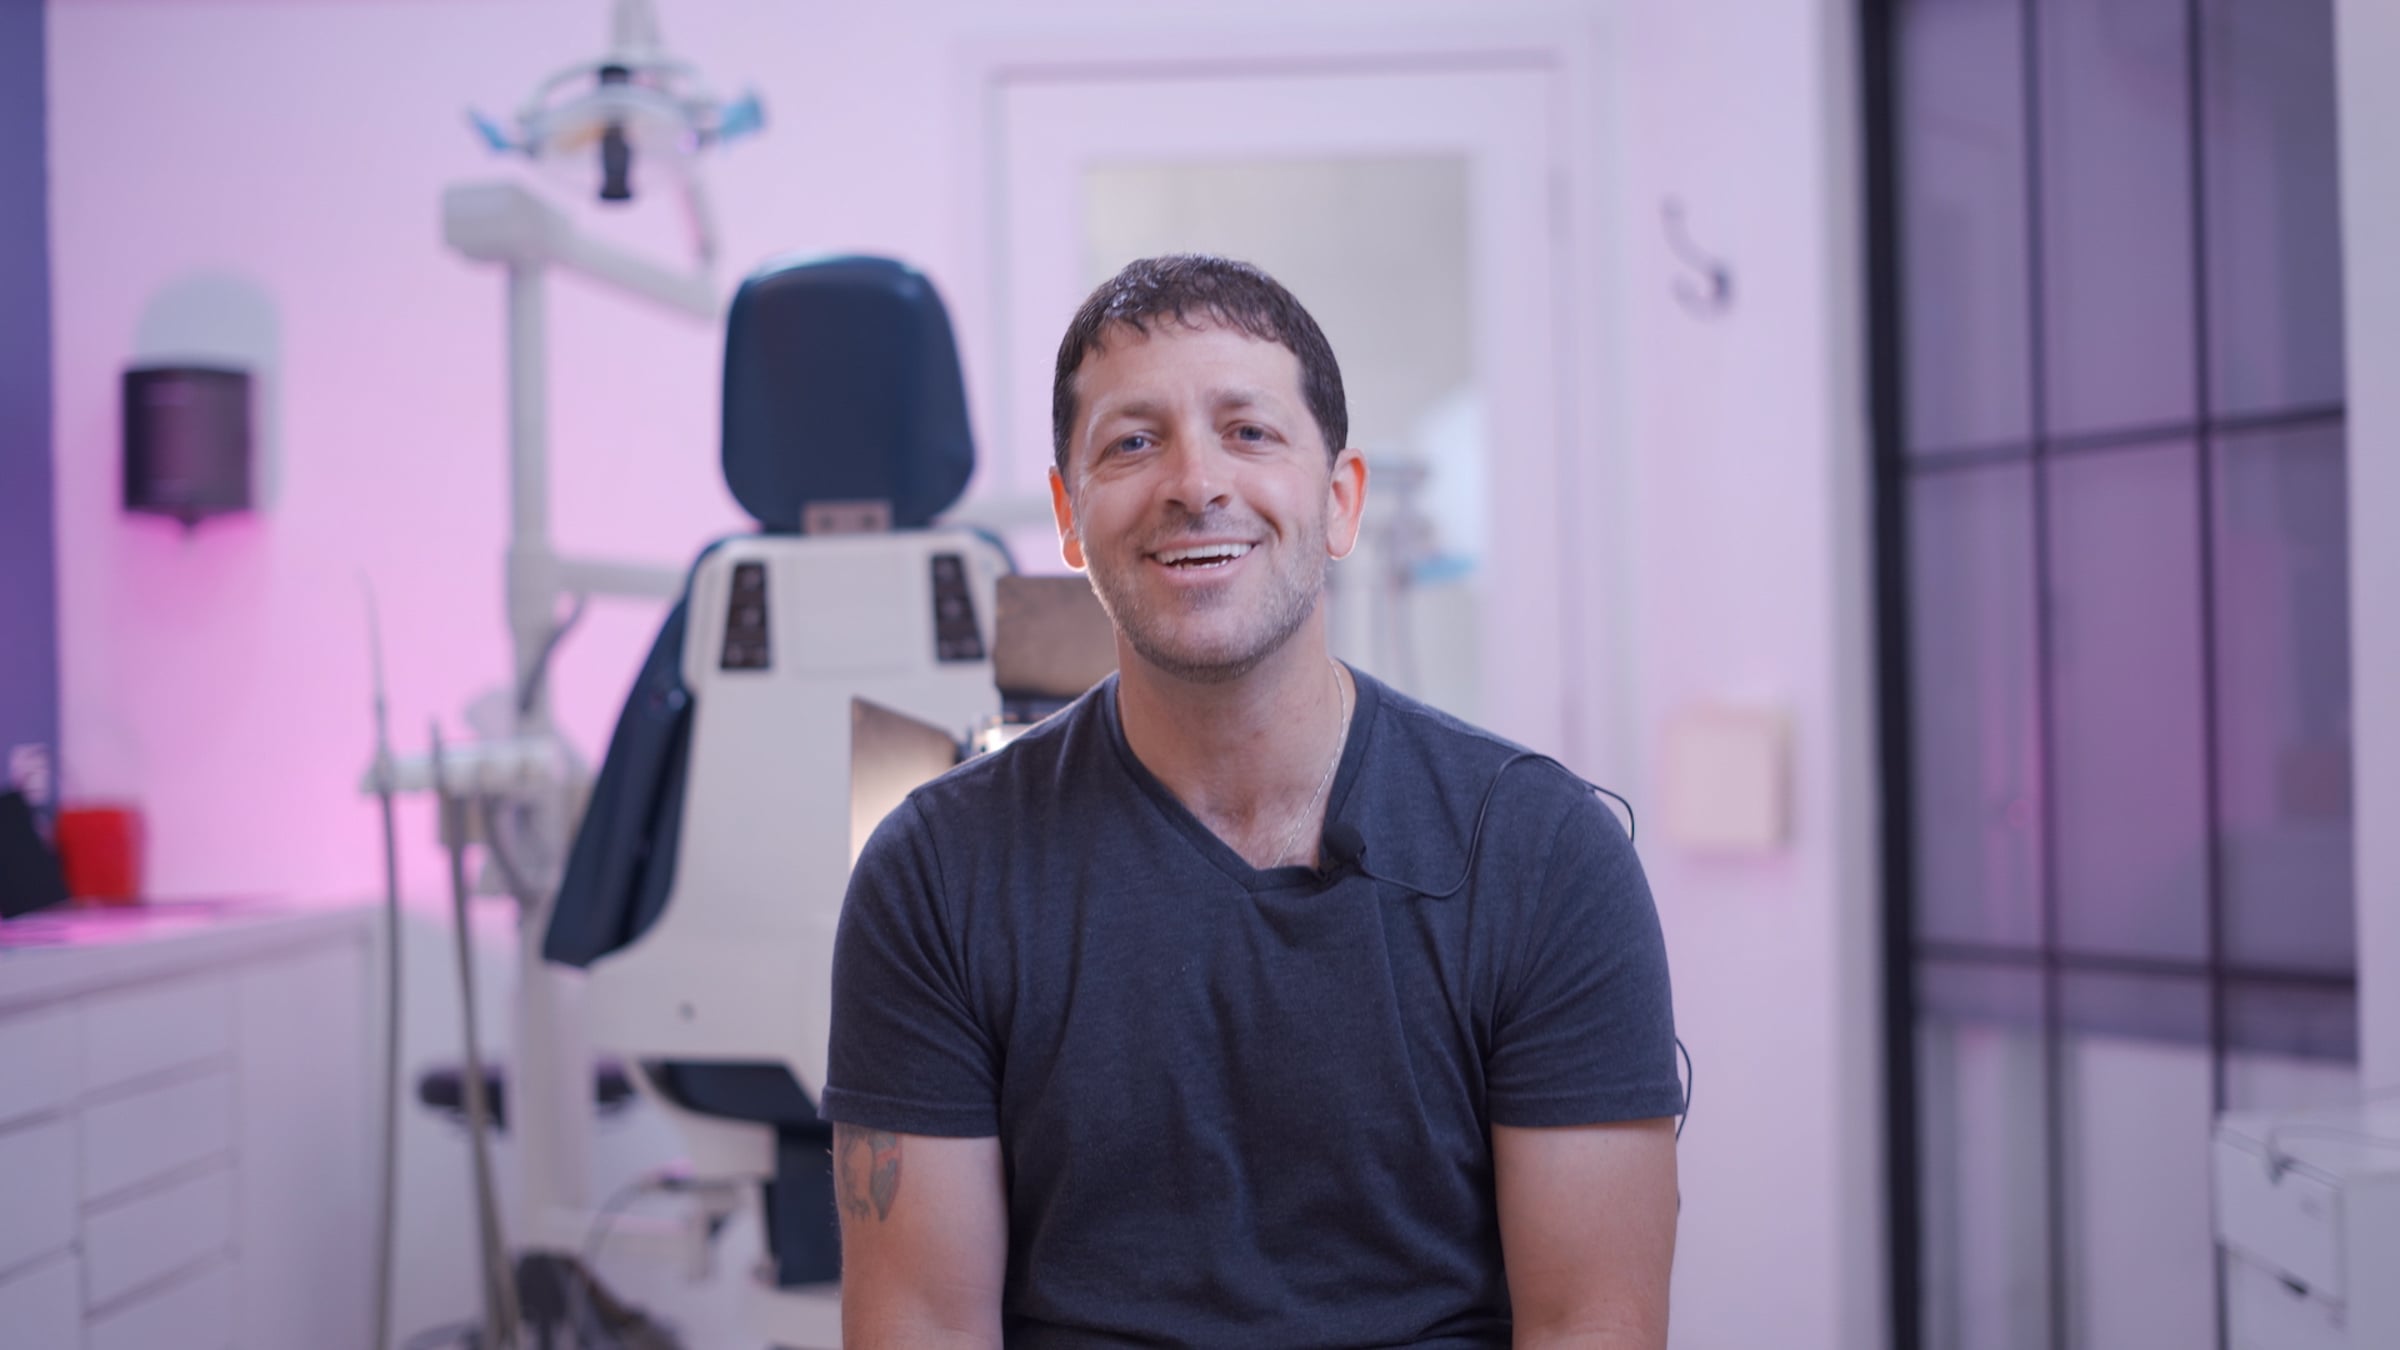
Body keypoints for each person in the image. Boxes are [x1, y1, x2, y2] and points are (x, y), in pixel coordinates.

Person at [822, 254, 1681, 1348]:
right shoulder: (937, 875)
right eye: (1133, 443)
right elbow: (922, 1328)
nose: (1195, 483)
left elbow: (1591, 1325)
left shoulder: (1542, 857)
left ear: (1340, 501)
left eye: (1250, 431)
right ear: (1070, 516)